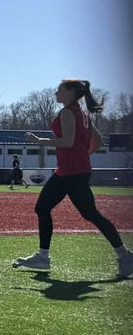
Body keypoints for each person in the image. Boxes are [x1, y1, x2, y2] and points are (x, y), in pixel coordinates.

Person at [14, 79, 130, 278]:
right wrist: (82, 156)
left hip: (72, 173)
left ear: (70, 93)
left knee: (90, 214)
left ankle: (125, 255)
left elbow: (67, 141)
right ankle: (43, 256)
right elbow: (98, 141)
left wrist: (39, 141)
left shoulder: (68, 112)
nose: (56, 93)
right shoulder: (82, 113)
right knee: (44, 208)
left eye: (59, 90)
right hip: (69, 172)